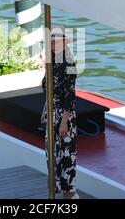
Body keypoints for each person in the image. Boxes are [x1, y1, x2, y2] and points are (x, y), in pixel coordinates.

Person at [41, 32, 79, 199]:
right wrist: (45, 110)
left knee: (66, 155)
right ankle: (56, 191)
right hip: (52, 113)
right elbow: (48, 89)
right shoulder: (52, 63)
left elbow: (69, 95)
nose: (53, 46)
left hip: (65, 115)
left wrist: (64, 121)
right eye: (51, 43)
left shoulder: (69, 64)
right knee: (52, 154)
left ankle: (69, 194)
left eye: (56, 43)